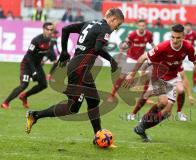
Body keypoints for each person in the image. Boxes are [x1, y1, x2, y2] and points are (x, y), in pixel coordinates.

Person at [25, 8, 124, 139]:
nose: (116, 28)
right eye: (118, 25)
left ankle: (98, 135)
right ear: (113, 19)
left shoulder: (90, 23)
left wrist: (64, 52)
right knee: (72, 108)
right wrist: (112, 60)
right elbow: (98, 48)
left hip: (81, 69)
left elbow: (65, 29)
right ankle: (35, 115)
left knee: (93, 101)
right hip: (79, 71)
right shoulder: (105, 29)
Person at [124, 24, 196, 142]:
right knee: (163, 101)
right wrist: (132, 74)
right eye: (173, 37)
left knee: (167, 112)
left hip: (173, 78)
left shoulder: (188, 47)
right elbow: (143, 57)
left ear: (183, 37)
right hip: (158, 76)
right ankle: (141, 124)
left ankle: (141, 127)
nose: (175, 40)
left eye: (178, 38)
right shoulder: (163, 47)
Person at [1, 22, 54, 109]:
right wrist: (33, 72)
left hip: (37, 65)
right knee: (24, 85)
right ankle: (5, 103)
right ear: (43, 29)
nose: (49, 31)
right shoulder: (36, 40)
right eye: (47, 29)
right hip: (27, 64)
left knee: (43, 85)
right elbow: (29, 56)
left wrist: (50, 59)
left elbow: (48, 53)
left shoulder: (50, 41)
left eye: (51, 30)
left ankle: (24, 96)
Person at [108, 19, 154, 102]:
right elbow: (125, 44)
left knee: (147, 77)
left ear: (145, 26)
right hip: (131, 59)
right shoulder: (132, 35)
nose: (141, 27)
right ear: (137, 26)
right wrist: (121, 53)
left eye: (143, 25)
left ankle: (144, 98)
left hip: (142, 59)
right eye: (140, 25)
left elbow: (152, 44)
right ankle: (112, 95)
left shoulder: (148, 35)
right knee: (122, 77)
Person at [127, 69, 194, 121]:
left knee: (180, 91)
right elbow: (146, 59)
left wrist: (190, 95)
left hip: (172, 80)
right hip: (160, 77)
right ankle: (133, 114)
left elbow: (184, 77)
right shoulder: (161, 55)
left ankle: (179, 113)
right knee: (147, 94)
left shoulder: (178, 60)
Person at [184, 22, 196, 93]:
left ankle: (194, 86)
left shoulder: (194, 34)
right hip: (182, 54)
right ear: (185, 27)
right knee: (179, 69)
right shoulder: (182, 34)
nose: (188, 28)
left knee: (195, 69)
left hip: (190, 53)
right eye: (186, 26)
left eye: (189, 26)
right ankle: (180, 84)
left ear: (191, 27)